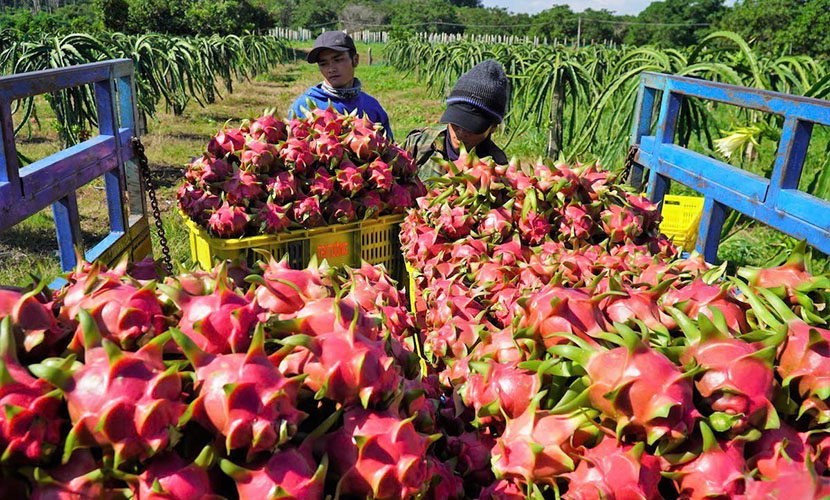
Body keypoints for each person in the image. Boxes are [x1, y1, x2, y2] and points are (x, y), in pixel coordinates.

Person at [404, 59, 509, 181]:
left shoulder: (498, 170)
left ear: (493, 127)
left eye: (472, 126)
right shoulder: (419, 143)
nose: (461, 132)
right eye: (457, 121)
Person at [289, 31, 393, 140]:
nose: (331, 69)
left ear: (355, 60)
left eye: (338, 60)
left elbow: (390, 150)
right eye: (323, 64)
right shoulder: (304, 107)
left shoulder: (371, 106)